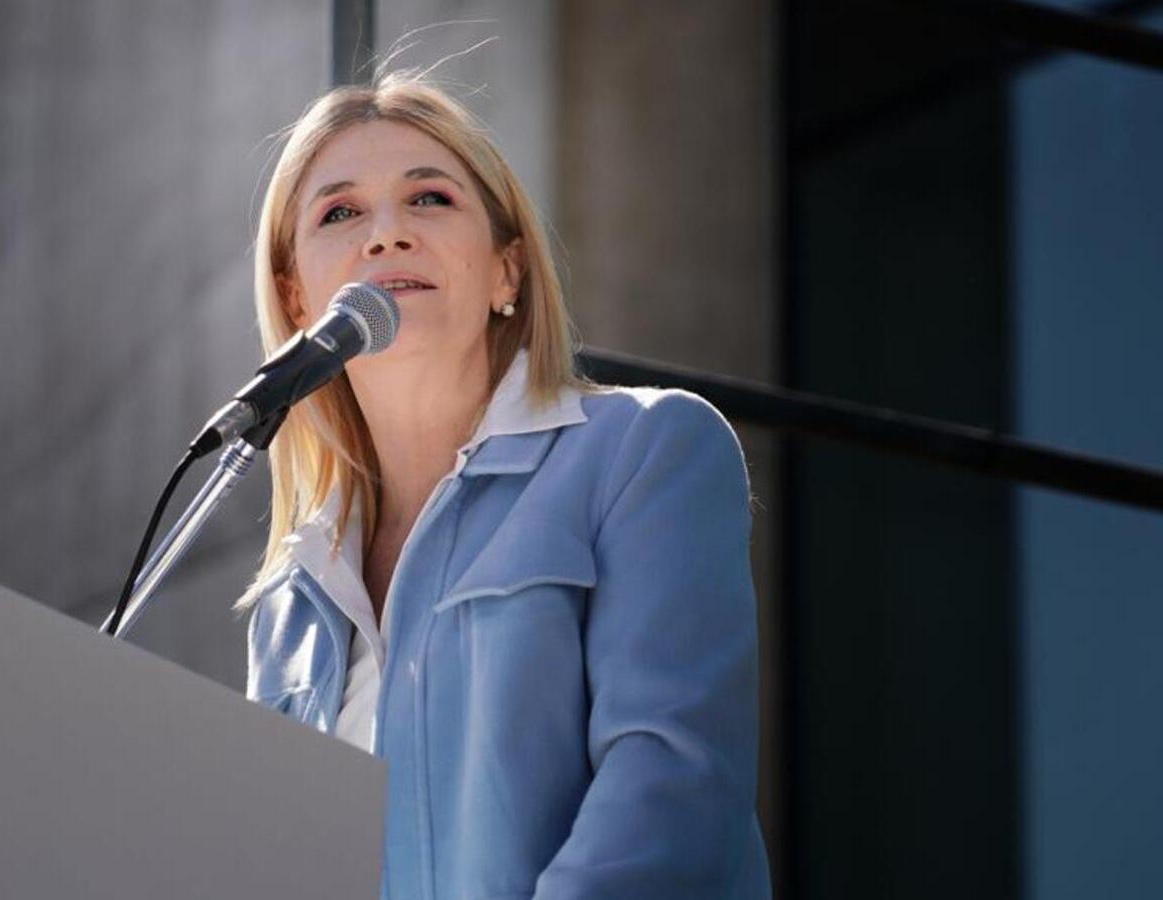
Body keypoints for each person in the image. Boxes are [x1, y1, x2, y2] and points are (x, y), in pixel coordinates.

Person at [236, 70, 771, 899]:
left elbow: (671, 792)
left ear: (506, 273)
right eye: (340, 213)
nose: (385, 235)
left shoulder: (645, 451)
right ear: (296, 295)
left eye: (430, 199)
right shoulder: (289, 605)